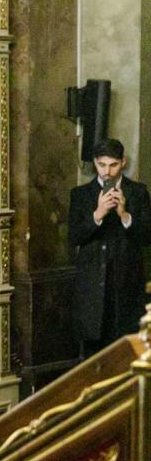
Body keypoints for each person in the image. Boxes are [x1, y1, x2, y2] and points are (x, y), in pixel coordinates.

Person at [68, 137, 151, 355]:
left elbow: (147, 237)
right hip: (92, 293)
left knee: (128, 353)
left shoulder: (138, 192)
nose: (107, 172)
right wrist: (98, 214)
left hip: (127, 288)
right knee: (93, 357)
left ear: (123, 162)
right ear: (95, 163)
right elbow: (74, 236)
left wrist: (125, 215)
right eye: (102, 165)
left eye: (113, 165)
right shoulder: (80, 195)